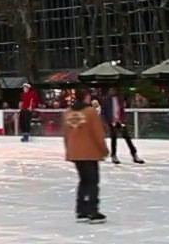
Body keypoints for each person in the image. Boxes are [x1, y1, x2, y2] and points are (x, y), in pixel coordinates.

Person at [61, 89, 108, 224]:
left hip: (75, 152)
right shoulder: (90, 112)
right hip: (89, 152)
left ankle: (81, 210)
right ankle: (92, 211)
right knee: (92, 181)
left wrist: (69, 150)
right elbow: (97, 133)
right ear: (86, 97)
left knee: (83, 180)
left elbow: (65, 134)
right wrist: (103, 150)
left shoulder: (67, 113)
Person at [103, 86, 142, 165]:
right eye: (111, 90)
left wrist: (122, 120)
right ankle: (114, 155)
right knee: (113, 138)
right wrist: (107, 122)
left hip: (120, 121)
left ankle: (134, 154)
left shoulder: (120, 99)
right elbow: (104, 111)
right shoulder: (107, 100)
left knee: (127, 137)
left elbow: (121, 110)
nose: (112, 91)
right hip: (112, 121)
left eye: (113, 90)